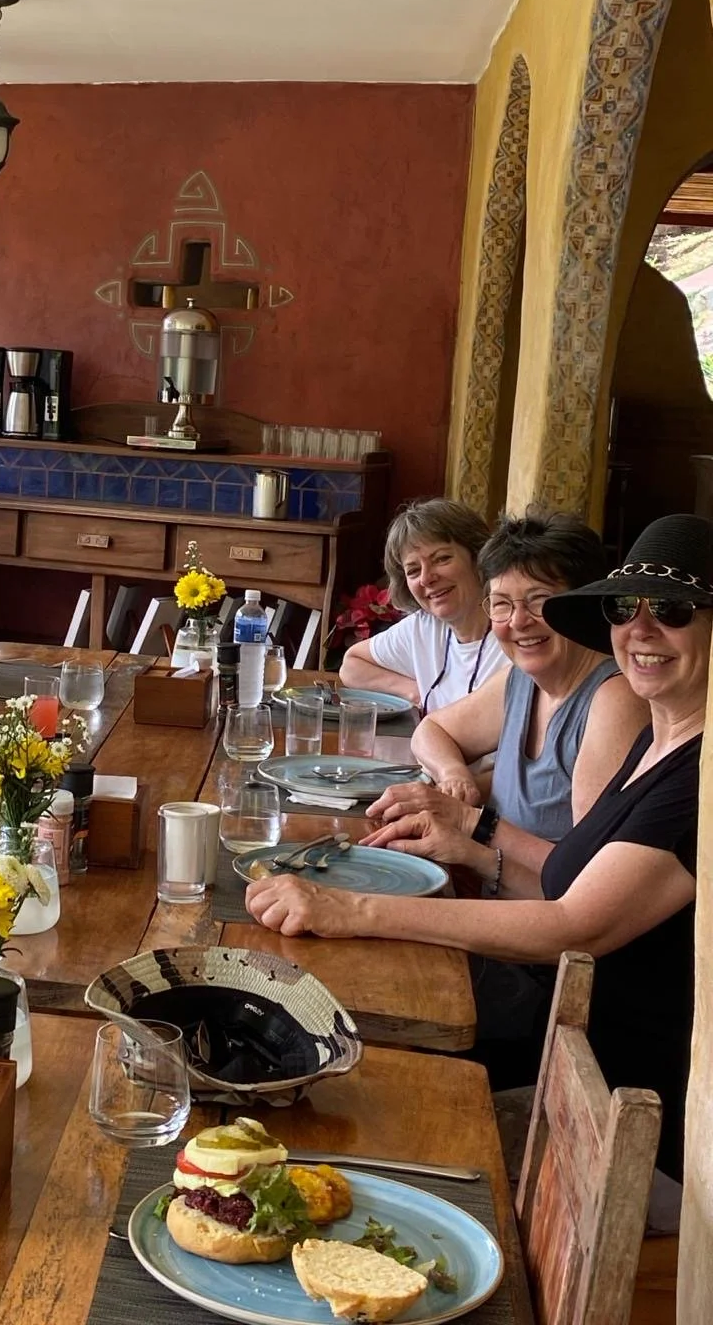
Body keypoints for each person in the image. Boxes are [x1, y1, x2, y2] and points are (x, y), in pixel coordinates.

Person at [246, 513, 708, 1182]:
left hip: (615, 1100)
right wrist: (467, 847)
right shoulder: (657, 742)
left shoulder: (697, 776)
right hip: (567, 1042)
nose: (640, 630)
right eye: (623, 608)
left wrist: (352, 910)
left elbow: (571, 926)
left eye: (672, 610)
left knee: (334, 1075)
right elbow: (569, 892)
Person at [370, 513, 647, 845]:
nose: (518, 621)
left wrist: (468, 822)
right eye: (502, 604)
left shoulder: (613, 698)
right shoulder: (522, 679)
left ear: (582, 604)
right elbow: (432, 730)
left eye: (539, 601)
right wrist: (454, 775)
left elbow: (582, 871)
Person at [339, 498, 509, 713]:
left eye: (442, 559)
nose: (426, 578)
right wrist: (415, 692)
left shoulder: (514, 632)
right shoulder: (423, 627)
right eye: (413, 570)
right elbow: (352, 665)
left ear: (478, 557)